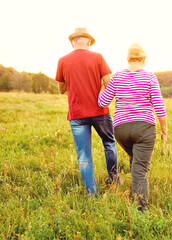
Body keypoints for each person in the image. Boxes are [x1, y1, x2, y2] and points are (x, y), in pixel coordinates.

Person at [98, 43, 167, 211]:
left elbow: (102, 102)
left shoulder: (116, 77)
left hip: (121, 130)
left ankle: (135, 193)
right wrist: (164, 129)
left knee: (136, 160)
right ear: (143, 59)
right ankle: (140, 211)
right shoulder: (150, 77)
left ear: (128, 58)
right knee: (140, 169)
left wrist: (101, 85)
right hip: (144, 128)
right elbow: (158, 105)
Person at [55, 27, 119, 196]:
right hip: (100, 111)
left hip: (77, 115)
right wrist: (100, 96)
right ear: (89, 42)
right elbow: (109, 83)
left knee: (84, 156)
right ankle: (113, 180)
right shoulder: (97, 57)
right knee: (109, 144)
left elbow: (61, 89)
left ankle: (92, 195)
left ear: (73, 42)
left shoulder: (62, 60)